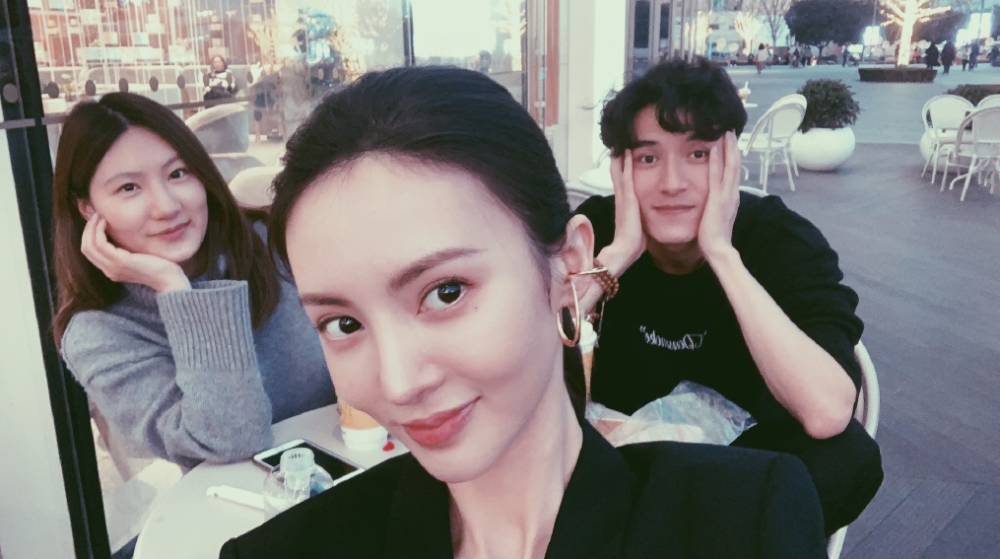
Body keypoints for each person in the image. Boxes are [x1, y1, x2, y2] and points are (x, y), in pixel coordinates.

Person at [218, 66, 827, 558]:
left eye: (446, 292)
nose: (399, 383)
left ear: (566, 262)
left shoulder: (743, 523)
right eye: (343, 324)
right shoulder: (283, 552)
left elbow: (828, 413)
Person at [573, 58, 883, 537]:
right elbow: (511, 363)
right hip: (617, 471)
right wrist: (613, 259)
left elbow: (826, 412)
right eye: (648, 158)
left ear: (731, 159)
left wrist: (722, 254)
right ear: (621, 169)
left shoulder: (780, 241)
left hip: (738, 479)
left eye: (697, 154)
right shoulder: (595, 233)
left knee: (847, 458)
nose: (672, 183)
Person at [52, 92, 335, 469]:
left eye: (177, 173)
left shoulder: (271, 241)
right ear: (88, 208)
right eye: (129, 188)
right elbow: (233, 438)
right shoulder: (99, 334)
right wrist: (175, 291)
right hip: (239, 501)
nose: (166, 206)